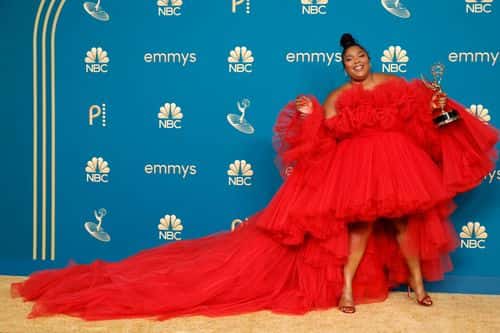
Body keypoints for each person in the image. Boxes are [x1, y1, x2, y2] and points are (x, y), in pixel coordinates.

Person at [12, 33, 498, 320]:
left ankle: (416, 285)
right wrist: (309, 115)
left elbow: (425, 113)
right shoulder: (335, 96)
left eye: (361, 57)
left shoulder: (396, 83)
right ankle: (347, 288)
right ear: (342, 67)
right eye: (348, 60)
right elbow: (322, 140)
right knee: (361, 228)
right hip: (359, 174)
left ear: (370, 58)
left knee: (406, 225)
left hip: (397, 167)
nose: (356, 63)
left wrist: (442, 109)